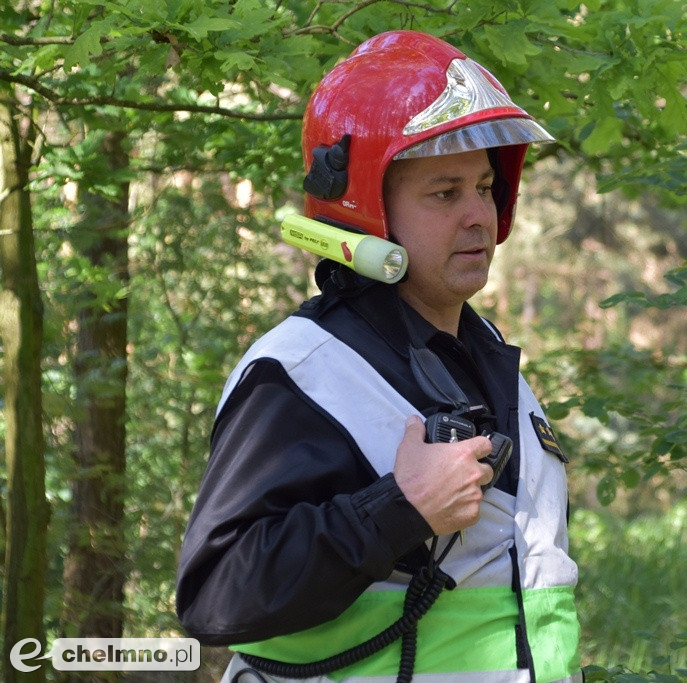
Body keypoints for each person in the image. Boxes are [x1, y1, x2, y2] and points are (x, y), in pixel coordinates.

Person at [175, 30, 582, 683]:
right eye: (445, 193)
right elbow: (215, 593)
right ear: (365, 209)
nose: (480, 214)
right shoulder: (302, 372)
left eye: (484, 186)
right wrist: (398, 508)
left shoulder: (493, 364)